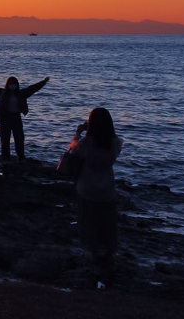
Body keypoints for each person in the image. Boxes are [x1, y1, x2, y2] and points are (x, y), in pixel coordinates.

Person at [68, 107, 122, 263]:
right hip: (107, 188)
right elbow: (116, 147)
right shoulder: (115, 143)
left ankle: (91, 251)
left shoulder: (87, 142)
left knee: (88, 221)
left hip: (87, 187)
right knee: (107, 223)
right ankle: (109, 252)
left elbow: (73, 151)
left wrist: (79, 133)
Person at [0, 74, 49, 161]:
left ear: (17, 85)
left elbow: (33, 88)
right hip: (5, 118)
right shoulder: (2, 93)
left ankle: (21, 157)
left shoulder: (21, 93)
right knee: (5, 139)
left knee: (19, 139)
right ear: (7, 84)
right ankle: (5, 159)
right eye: (11, 83)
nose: (12, 85)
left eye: (14, 83)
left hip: (16, 117)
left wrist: (44, 82)